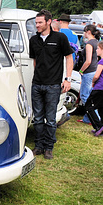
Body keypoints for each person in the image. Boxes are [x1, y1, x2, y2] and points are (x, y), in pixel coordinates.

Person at [28, 9, 74, 160]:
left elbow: (69, 58)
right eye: (36, 23)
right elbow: (35, 61)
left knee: (51, 118)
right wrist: (38, 77)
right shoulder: (33, 40)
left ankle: (49, 148)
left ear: (49, 21)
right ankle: (39, 146)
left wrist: (67, 79)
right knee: (38, 118)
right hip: (37, 85)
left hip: (53, 85)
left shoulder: (60, 38)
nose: (37, 25)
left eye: (40, 22)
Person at [76, 24, 101, 124]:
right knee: (90, 96)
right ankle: (88, 119)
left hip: (89, 72)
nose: (83, 34)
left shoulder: (89, 44)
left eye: (84, 31)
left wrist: (81, 70)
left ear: (88, 32)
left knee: (84, 96)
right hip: (94, 70)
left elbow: (88, 61)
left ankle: (96, 118)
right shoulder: (96, 42)